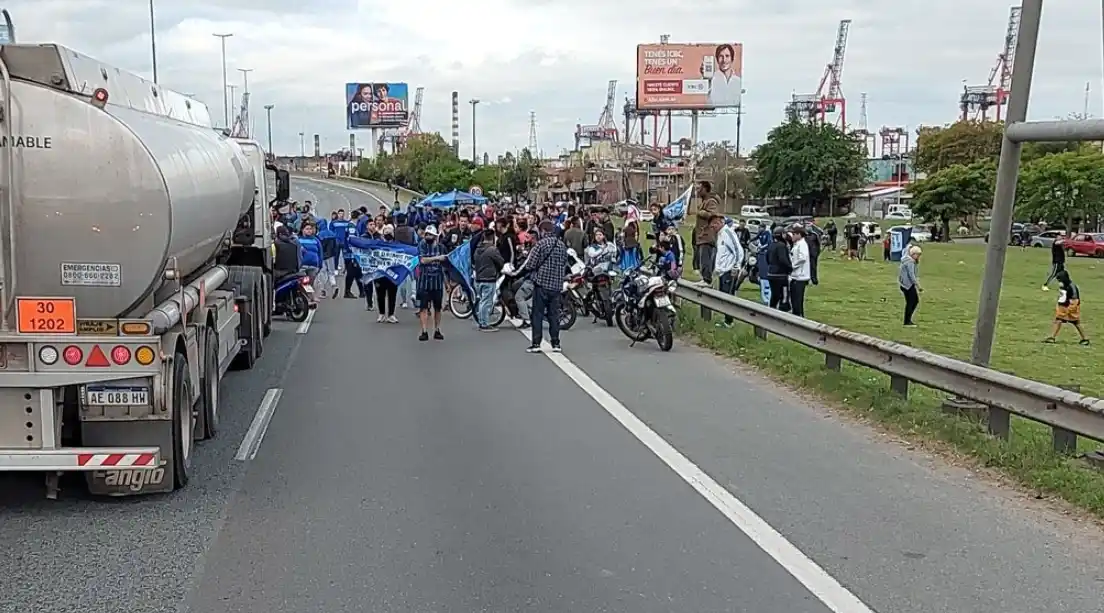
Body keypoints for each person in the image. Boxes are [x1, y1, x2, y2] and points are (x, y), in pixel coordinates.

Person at [517, 220, 568, 353]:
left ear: (543, 231)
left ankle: (536, 343)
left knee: (537, 314)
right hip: (556, 285)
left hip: (541, 284)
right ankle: (556, 343)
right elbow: (564, 263)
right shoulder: (562, 245)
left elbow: (530, 265)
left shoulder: (540, 245)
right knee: (554, 315)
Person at [415, 225, 448, 341]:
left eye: (430, 235)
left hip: (437, 281)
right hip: (424, 280)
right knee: (423, 308)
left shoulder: (441, 247)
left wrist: (446, 283)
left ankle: (437, 330)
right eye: (427, 234)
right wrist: (438, 258)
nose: (428, 237)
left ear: (435, 236)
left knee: (437, 308)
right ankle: (424, 331)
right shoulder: (422, 245)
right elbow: (422, 260)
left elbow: (445, 265)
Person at [712, 214, 744, 328]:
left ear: (721, 222)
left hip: (730, 271)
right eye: (712, 224)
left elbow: (738, 250)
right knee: (723, 296)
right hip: (722, 271)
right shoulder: (720, 234)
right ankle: (727, 320)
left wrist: (736, 267)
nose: (713, 226)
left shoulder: (728, 233)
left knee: (728, 296)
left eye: (715, 223)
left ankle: (729, 321)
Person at [473, 227, 506, 331]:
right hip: (489, 278)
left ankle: (482, 321)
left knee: (482, 300)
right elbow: (501, 261)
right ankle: (484, 324)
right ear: (492, 238)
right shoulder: (492, 250)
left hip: (478, 278)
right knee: (486, 302)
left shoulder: (478, 249)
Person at [1045, 270, 1089, 345]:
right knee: (1058, 321)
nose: (1059, 282)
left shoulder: (1072, 287)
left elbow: (1075, 300)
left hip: (1071, 308)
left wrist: (1070, 309)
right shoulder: (1063, 286)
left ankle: (1085, 338)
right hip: (1063, 307)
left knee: (1076, 322)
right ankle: (1052, 337)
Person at [692, 181, 720, 284]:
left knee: (705, 259)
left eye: (699, 188)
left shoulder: (711, 201)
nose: (697, 191)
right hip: (701, 236)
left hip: (707, 236)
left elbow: (714, 215)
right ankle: (704, 278)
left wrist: (701, 212)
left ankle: (707, 279)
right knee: (701, 258)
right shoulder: (703, 201)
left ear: (705, 189)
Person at [374, 225, 400, 323]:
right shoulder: (378, 245)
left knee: (392, 294)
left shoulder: (397, 245)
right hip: (380, 274)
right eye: (386, 233)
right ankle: (381, 314)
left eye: (390, 233)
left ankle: (391, 315)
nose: (388, 235)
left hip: (393, 273)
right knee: (380, 294)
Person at [705, 43, 742, 108]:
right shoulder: (710, 79)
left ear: (732, 59)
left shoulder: (738, 81)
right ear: (717, 59)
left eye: (727, 56)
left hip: (732, 114)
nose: (724, 60)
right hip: (713, 115)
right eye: (721, 56)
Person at [765, 226, 792, 311]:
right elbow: (783, 259)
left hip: (771, 273)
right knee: (784, 295)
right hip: (780, 275)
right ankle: (783, 311)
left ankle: (771, 310)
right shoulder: (781, 246)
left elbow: (767, 258)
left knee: (774, 295)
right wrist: (790, 268)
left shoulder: (771, 245)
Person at [788, 225, 811, 317]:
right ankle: (797, 316)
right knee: (794, 300)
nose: (792, 236)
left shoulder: (802, 244)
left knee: (797, 300)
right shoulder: (797, 244)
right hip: (796, 276)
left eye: (794, 234)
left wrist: (793, 266)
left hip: (800, 276)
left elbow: (802, 258)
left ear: (799, 234)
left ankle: (798, 317)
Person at [898, 245, 922, 326]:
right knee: (912, 302)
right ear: (913, 254)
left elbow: (906, 249)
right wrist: (918, 286)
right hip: (907, 285)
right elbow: (911, 275)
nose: (918, 257)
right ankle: (907, 321)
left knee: (912, 302)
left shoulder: (906, 259)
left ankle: (907, 320)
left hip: (904, 284)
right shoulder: (910, 262)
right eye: (917, 255)